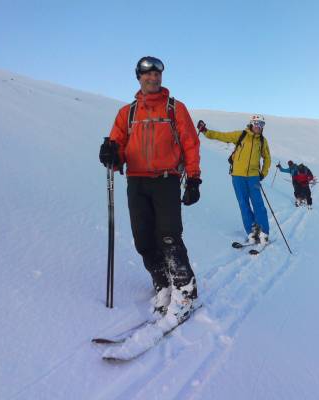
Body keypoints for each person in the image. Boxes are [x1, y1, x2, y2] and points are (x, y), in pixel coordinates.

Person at [99, 56, 201, 325]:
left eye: (157, 75)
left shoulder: (175, 109)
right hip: (137, 181)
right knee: (143, 239)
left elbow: (190, 144)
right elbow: (118, 146)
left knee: (168, 236)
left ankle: (185, 291)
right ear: (139, 77)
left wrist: (193, 179)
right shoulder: (127, 113)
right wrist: (111, 154)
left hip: (166, 180)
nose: (153, 79)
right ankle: (163, 283)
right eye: (148, 75)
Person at [197, 115, 271, 245]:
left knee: (258, 204)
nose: (258, 126)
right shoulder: (241, 135)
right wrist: (205, 131)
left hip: (253, 177)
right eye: (256, 123)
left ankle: (263, 232)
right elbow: (222, 136)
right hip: (237, 176)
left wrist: (263, 173)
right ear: (251, 123)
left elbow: (267, 158)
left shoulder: (263, 141)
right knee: (243, 204)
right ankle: (252, 231)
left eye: (261, 124)